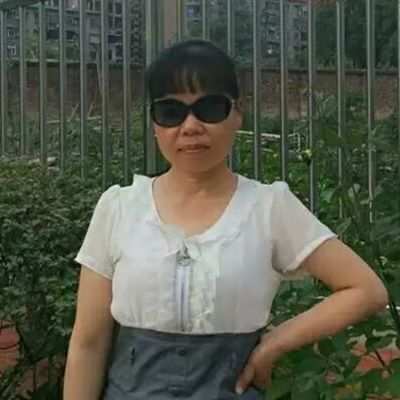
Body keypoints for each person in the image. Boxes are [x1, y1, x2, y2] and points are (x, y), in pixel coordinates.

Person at [63, 40, 388, 400]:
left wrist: (276, 342)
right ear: (155, 123)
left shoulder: (268, 207)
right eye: (171, 112)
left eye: (210, 108)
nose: (190, 126)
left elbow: (366, 289)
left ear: (237, 114)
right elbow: (88, 343)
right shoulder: (119, 208)